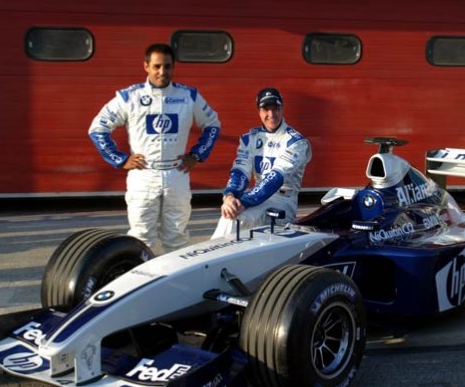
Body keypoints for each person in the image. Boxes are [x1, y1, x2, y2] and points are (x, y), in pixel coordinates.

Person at [89, 43, 220, 254]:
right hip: (143, 174)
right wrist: (120, 159)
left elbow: (212, 124)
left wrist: (197, 154)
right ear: (146, 66)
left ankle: (173, 282)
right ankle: (140, 281)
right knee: (141, 237)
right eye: (157, 66)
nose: (162, 72)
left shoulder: (189, 96)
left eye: (167, 66)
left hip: (176, 173)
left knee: (177, 237)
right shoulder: (129, 97)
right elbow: (98, 128)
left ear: (173, 67)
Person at [211, 88, 312, 239]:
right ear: (259, 111)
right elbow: (240, 172)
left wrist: (244, 201)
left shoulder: (296, 141)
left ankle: (212, 259)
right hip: (257, 199)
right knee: (229, 214)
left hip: (283, 202)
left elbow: (275, 178)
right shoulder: (250, 138)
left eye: (276, 108)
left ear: (282, 109)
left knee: (232, 218)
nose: (271, 115)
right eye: (266, 109)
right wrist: (230, 196)